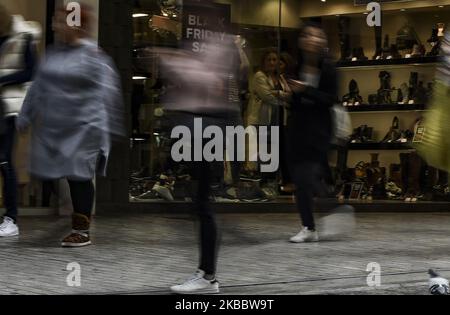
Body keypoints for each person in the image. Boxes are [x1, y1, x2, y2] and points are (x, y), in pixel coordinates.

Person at [16, 6, 124, 247]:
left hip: (86, 128)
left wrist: (113, 125)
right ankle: (73, 217)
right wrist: (25, 115)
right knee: (53, 171)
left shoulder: (94, 56)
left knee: (79, 176)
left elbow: (109, 91)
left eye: (61, 21)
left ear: (77, 26)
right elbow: (38, 87)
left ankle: (81, 229)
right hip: (57, 128)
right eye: (56, 21)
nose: (56, 25)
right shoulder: (54, 54)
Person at [286, 23, 337, 243]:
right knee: (300, 179)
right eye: (307, 36)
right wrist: (291, 95)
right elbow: (295, 104)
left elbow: (331, 99)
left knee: (307, 176)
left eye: (317, 36)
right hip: (298, 128)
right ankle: (309, 225)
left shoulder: (329, 69)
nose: (312, 40)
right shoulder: (296, 68)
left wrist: (305, 90)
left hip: (319, 130)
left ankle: (313, 223)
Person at [0, 4, 40, 237]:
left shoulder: (24, 35)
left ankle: (11, 218)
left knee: (5, 161)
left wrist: (2, 79)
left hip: (10, 108)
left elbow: (31, 72)